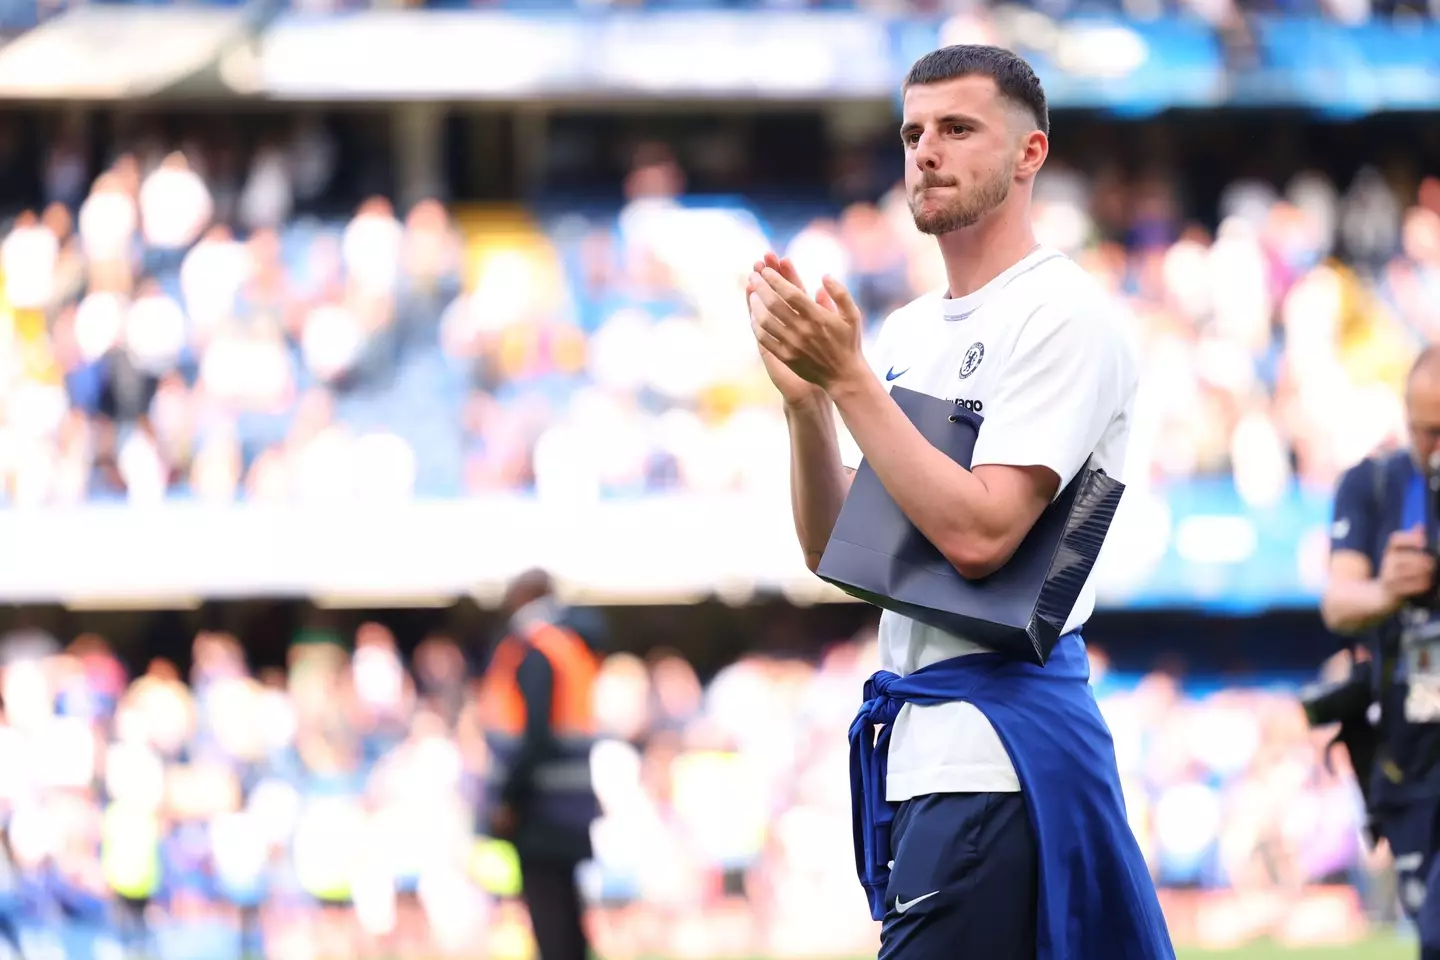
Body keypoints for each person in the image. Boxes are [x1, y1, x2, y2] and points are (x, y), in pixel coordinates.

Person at [746, 45, 1172, 958]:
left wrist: (851, 381)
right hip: (933, 753)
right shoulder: (907, 331)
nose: (925, 151)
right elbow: (839, 549)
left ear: (1030, 154)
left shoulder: (1062, 311)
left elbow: (982, 536)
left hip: (1001, 752)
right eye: (911, 132)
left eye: (957, 128)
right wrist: (807, 405)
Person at [1323, 347, 1440, 960]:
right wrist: (1388, 590)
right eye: (1429, 431)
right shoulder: (1372, 484)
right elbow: (1338, 602)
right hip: (1409, 756)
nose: (1438, 448)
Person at [478, 569, 603, 960]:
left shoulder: (535, 649)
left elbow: (534, 736)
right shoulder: (567, 646)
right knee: (565, 914)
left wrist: (507, 798)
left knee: (551, 919)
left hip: (539, 807)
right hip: (569, 804)